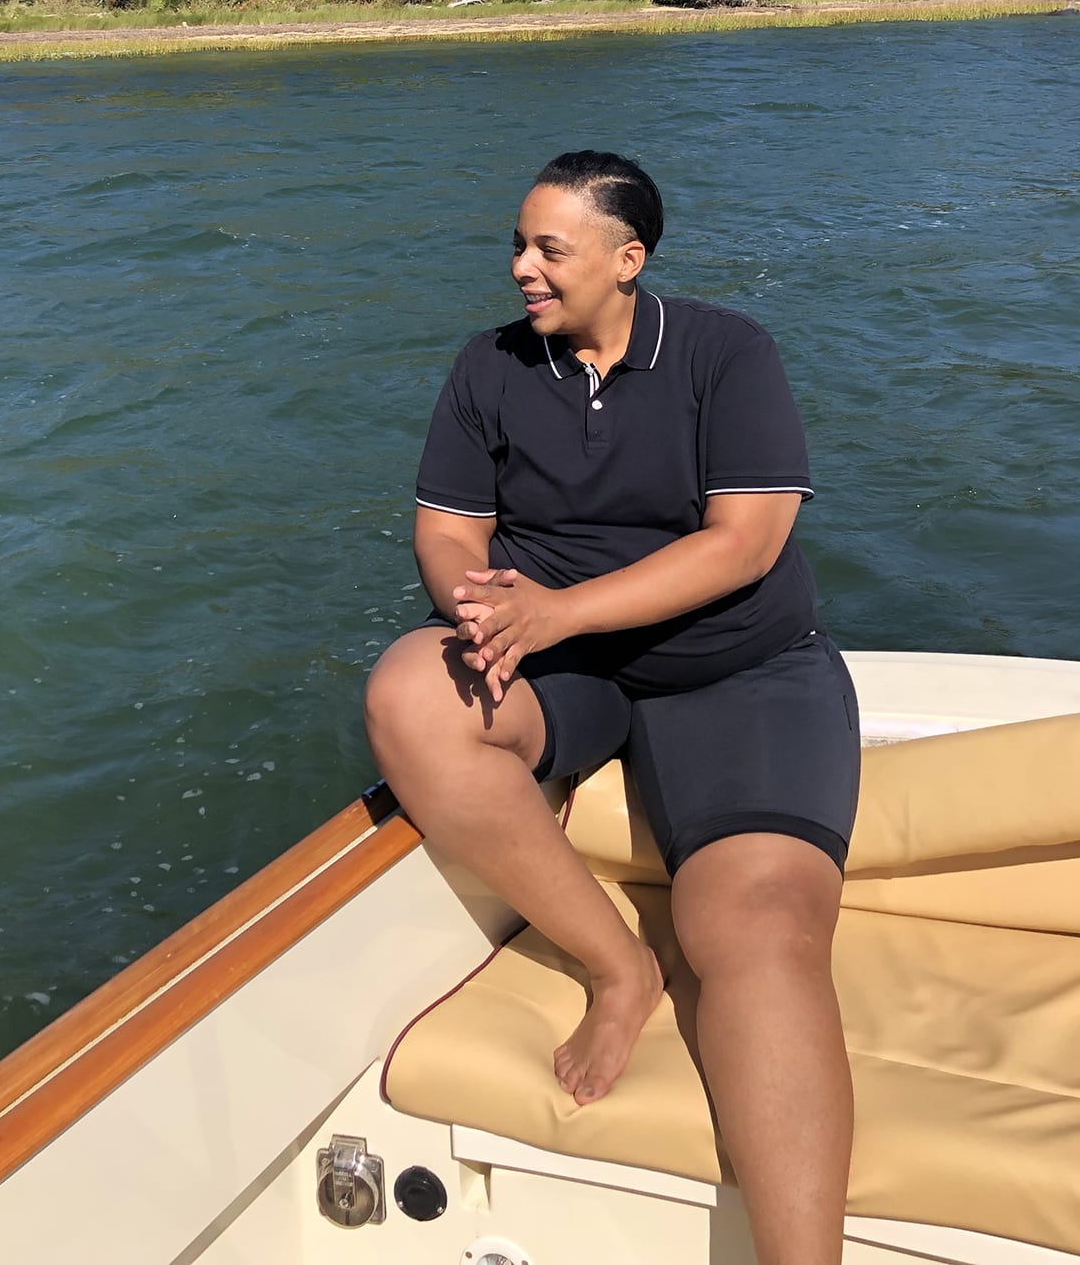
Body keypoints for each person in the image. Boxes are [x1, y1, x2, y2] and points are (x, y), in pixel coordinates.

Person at [364, 150, 860, 1265]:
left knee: (761, 930)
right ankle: (617, 967)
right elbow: (448, 531)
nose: (520, 269)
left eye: (549, 248)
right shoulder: (487, 368)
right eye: (518, 244)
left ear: (626, 261)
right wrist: (479, 606)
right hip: (564, 662)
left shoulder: (725, 354)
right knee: (407, 690)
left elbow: (746, 542)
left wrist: (556, 612)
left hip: (735, 665)